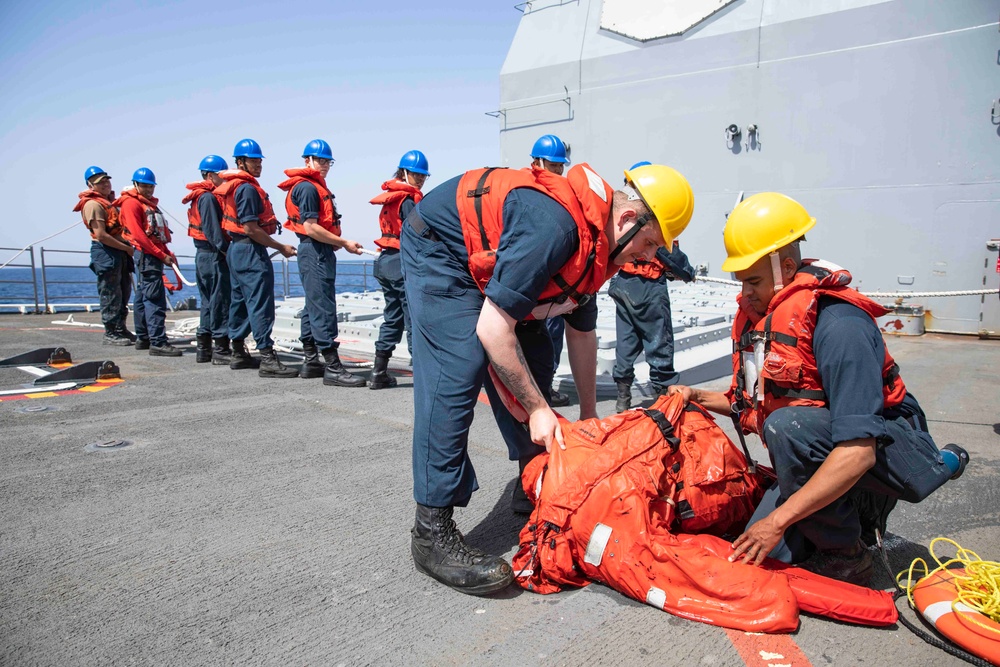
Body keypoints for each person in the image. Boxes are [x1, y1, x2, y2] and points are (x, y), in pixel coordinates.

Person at [401, 161, 694, 596]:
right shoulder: (555, 229)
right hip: (443, 251)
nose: (650, 257)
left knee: (536, 357)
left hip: (499, 259)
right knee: (456, 370)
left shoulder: (600, 246)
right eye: (650, 243)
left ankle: (534, 477)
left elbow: (581, 334)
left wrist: (590, 416)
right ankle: (431, 530)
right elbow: (492, 329)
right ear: (629, 219)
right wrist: (538, 409)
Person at [668, 192, 969, 585]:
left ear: (787, 267)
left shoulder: (840, 325)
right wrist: (692, 396)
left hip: (884, 446)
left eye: (753, 281)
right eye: (741, 283)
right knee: (765, 554)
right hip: (819, 442)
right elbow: (752, 404)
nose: (745, 295)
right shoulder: (764, 320)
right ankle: (835, 514)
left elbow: (858, 451)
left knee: (788, 433)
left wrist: (777, 520)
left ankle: (849, 552)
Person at [277, 139, 366, 387]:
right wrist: (344, 241)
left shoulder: (311, 186)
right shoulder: (307, 188)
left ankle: (310, 360)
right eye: (321, 161)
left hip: (316, 249)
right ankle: (333, 367)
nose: (325, 166)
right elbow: (311, 227)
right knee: (324, 307)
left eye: (328, 161)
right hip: (315, 251)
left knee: (313, 305)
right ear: (308, 161)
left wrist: (333, 242)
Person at [215, 138, 297, 377]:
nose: (258, 164)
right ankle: (267, 357)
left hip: (236, 250)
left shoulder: (235, 187)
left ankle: (238, 352)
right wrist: (280, 246)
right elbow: (251, 227)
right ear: (240, 162)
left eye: (259, 160)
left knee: (239, 301)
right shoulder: (248, 189)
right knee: (260, 303)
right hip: (250, 250)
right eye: (253, 160)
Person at [610, 239, 695, 411]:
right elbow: (666, 252)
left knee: (627, 339)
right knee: (659, 340)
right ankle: (662, 395)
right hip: (649, 287)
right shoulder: (654, 224)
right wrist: (688, 272)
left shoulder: (628, 221)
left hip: (623, 282)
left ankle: (623, 398)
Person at [368, 150, 428, 389]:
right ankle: (424, 375)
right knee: (414, 317)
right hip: (402, 263)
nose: (421, 179)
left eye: (424, 175)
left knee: (392, 318)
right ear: (404, 173)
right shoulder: (408, 201)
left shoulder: (392, 198)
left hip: (385, 262)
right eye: (417, 174)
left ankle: (378, 372)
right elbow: (418, 234)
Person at [115, 168, 182, 357]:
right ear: (136, 185)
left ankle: (144, 337)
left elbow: (156, 235)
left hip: (151, 254)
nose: (148, 190)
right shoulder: (131, 204)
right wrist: (161, 255)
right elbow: (139, 235)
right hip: (147, 255)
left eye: (151, 186)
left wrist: (166, 252)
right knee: (154, 299)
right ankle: (158, 342)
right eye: (144, 186)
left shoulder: (147, 205)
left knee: (143, 297)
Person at [529, 135, 573, 408]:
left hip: (550, 274)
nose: (558, 171)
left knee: (551, 333)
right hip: (540, 273)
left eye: (560, 166)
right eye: (554, 165)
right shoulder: (530, 190)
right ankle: (539, 390)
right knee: (540, 332)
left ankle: (542, 386)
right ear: (538, 162)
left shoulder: (525, 189)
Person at [73, 166, 134, 346]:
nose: (106, 184)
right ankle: (110, 332)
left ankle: (120, 328)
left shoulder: (108, 202)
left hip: (118, 251)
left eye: (107, 180)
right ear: (91, 185)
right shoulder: (93, 205)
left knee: (123, 291)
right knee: (110, 292)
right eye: (101, 182)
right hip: (106, 251)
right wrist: (126, 248)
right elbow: (100, 234)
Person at [182, 155, 231, 364]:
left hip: (203, 254)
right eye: (222, 176)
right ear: (211, 175)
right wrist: (227, 252)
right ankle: (220, 349)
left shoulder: (200, 197)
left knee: (208, 302)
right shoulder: (208, 198)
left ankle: (204, 349)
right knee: (219, 301)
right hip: (212, 254)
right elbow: (213, 231)